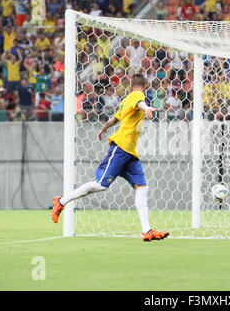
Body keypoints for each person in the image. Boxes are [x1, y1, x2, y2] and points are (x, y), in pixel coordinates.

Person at [51, 74, 169, 242]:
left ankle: (147, 231)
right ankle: (61, 201)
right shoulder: (137, 95)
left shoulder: (125, 101)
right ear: (144, 85)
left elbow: (115, 118)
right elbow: (140, 103)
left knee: (142, 187)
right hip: (121, 148)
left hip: (130, 153)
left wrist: (102, 128)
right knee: (100, 185)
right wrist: (147, 108)